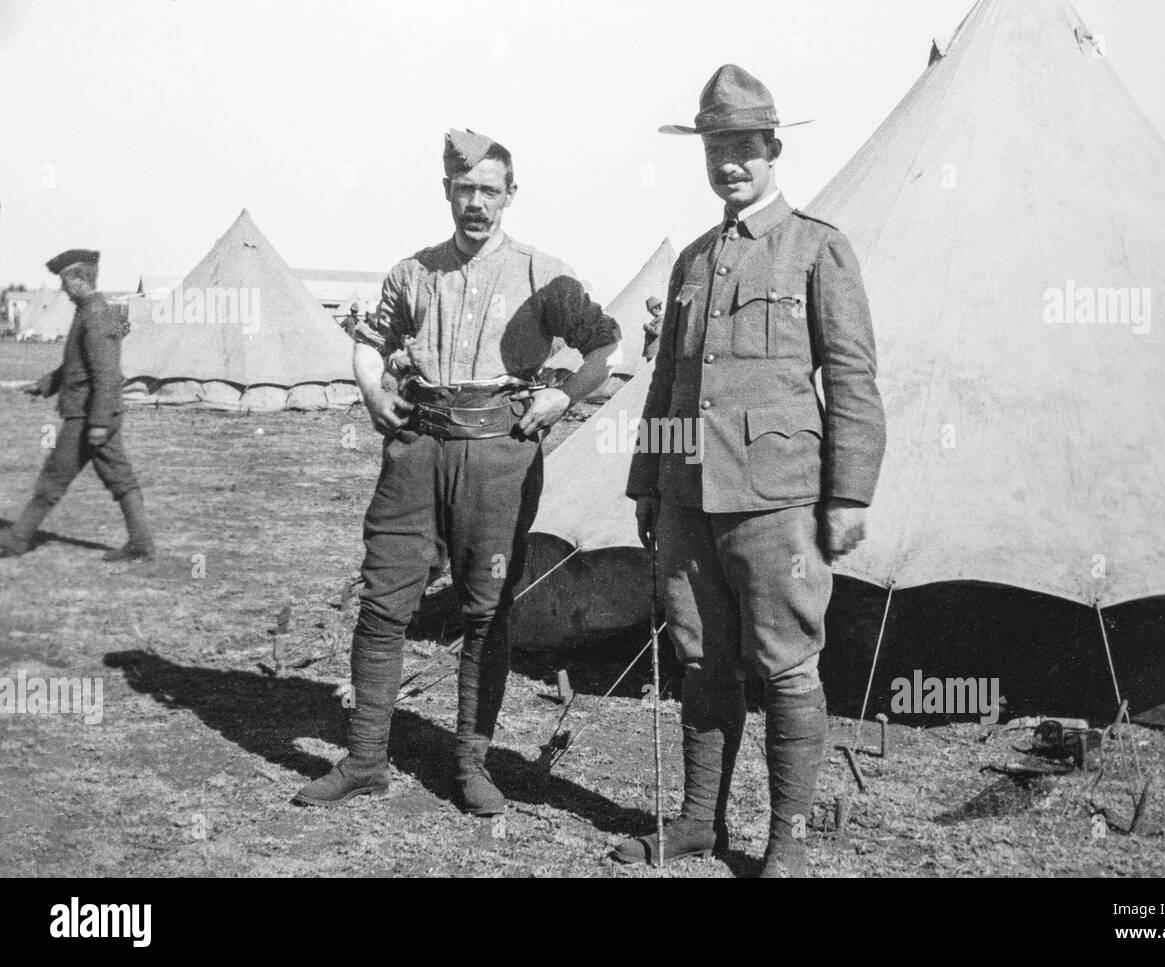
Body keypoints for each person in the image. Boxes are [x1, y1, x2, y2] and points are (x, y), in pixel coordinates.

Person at [293, 129, 622, 816]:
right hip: (417, 450)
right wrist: (374, 393)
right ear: (447, 190)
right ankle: (363, 759)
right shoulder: (414, 271)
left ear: (510, 195)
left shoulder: (544, 273)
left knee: (485, 609)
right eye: (464, 189)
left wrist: (564, 395)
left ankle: (472, 765)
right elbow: (369, 343)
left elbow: (604, 343)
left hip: (499, 454)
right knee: (384, 600)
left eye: (489, 191)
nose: (476, 203)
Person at [613, 65, 886, 876]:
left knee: (788, 664)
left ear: (772, 147)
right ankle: (701, 821)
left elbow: (853, 379)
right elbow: (667, 382)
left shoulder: (818, 248)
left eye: (743, 146)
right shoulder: (693, 261)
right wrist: (646, 483)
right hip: (690, 497)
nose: (729, 162)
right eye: (714, 147)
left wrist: (848, 492)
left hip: (778, 504)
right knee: (702, 658)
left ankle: (787, 841)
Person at [1, 249, 154, 562]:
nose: (62, 288)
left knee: (54, 478)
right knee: (119, 479)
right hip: (92, 414)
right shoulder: (89, 311)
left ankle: (16, 539)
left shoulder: (95, 314)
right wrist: (45, 384)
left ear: (80, 279)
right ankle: (141, 543)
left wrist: (98, 421)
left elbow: (107, 374)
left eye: (64, 280)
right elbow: (77, 365)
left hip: (88, 416)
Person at [641, 296, 664, 361]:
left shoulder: (661, 318)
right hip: (654, 350)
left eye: (651, 311)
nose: (651, 313)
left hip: (654, 350)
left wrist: (646, 327)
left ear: (656, 308)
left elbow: (657, 332)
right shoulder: (659, 318)